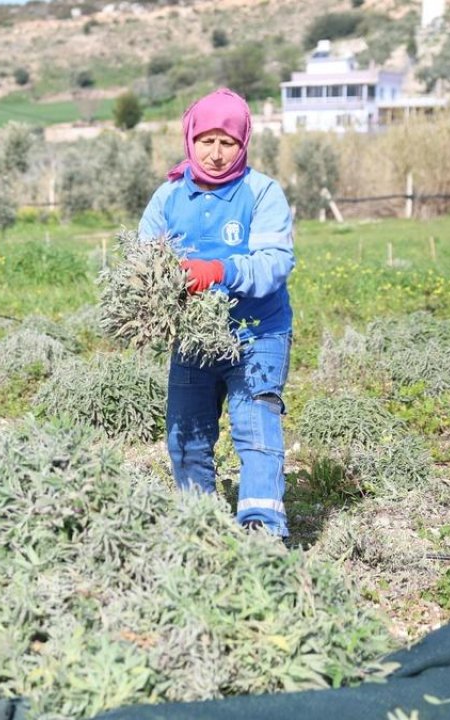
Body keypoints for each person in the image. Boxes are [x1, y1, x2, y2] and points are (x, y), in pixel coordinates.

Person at [138, 88, 295, 539]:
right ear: (190, 139)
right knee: (186, 438)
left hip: (257, 333)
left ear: (243, 143)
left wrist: (218, 271)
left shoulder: (262, 193)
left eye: (227, 142)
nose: (216, 153)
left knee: (256, 431)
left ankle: (262, 535)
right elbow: (145, 262)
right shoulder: (168, 196)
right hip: (194, 339)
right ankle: (200, 530)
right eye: (206, 140)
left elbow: (274, 265)